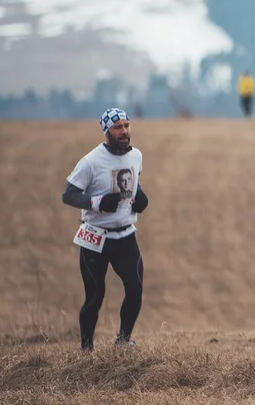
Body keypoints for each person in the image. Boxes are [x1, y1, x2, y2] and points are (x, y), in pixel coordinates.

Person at [62, 108, 149, 352]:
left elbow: (133, 182)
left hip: (125, 235)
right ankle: (86, 350)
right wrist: (96, 203)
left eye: (126, 125)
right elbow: (68, 195)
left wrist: (140, 197)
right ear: (106, 131)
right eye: (118, 127)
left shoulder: (136, 156)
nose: (124, 131)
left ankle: (123, 341)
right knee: (95, 296)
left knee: (135, 288)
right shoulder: (90, 161)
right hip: (95, 237)